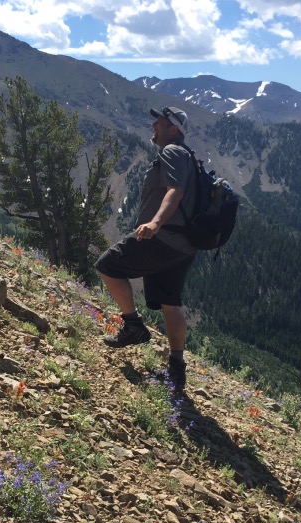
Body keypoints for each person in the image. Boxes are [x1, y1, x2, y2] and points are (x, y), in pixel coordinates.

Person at [94, 106, 197, 393]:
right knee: (170, 302)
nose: (154, 125)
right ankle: (177, 369)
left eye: (160, 123)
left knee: (108, 265)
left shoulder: (173, 152)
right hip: (184, 245)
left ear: (173, 129)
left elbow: (175, 191)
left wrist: (155, 223)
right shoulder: (188, 156)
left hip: (162, 238)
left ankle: (133, 326)